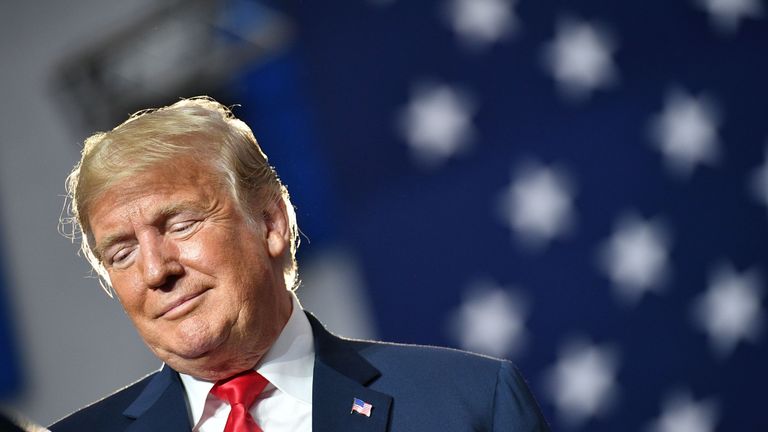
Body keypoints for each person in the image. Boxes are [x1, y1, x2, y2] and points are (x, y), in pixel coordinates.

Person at [50, 97, 550, 431]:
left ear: (270, 221)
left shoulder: (466, 404)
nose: (157, 271)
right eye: (123, 253)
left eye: (180, 225)